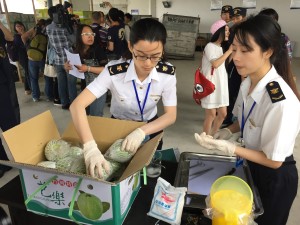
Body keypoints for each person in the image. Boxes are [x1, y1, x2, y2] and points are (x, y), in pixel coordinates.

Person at [195, 15, 300, 225]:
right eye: (234, 49)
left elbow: (274, 160)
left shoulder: (280, 101)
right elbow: (245, 120)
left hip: (275, 176)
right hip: (251, 163)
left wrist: (229, 147)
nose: (236, 57)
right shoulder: (248, 83)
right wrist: (225, 132)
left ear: (268, 51)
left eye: (245, 50)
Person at [69, 18, 177, 178]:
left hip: (151, 127)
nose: (148, 63)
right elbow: (77, 106)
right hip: (117, 129)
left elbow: (170, 115)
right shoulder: (114, 71)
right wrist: (90, 147)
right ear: (130, 46)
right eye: (140, 55)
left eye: (155, 56)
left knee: (149, 174)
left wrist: (142, 131)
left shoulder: (166, 73)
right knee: (118, 174)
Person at [64, 24, 107, 116]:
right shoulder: (76, 51)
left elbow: (105, 70)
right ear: (79, 36)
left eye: (92, 34)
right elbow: (75, 72)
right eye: (86, 34)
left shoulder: (98, 50)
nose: (90, 36)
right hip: (85, 88)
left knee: (96, 116)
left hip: (99, 88)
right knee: (85, 114)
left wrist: (87, 68)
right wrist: (67, 68)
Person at [200, 20, 232, 136]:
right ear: (219, 32)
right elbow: (215, 64)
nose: (228, 33)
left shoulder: (220, 47)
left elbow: (224, 63)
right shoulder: (210, 46)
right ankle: (205, 136)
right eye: (226, 31)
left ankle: (212, 135)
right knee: (211, 114)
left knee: (223, 113)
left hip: (221, 84)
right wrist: (229, 51)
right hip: (211, 84)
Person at [46, 4, 77, 110]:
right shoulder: (65, 28)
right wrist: (73, 28)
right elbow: (74, 41)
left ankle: (64, 103)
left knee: (61, 83)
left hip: (57, 59)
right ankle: (73, 104)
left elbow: (51, 43)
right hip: (70, 60)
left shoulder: (48, 28)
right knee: (71, 84)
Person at [0, 23, 20, 178]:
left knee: (10, 123)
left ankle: (22, 158)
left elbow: (10, 37)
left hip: (3, 80)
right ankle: (2, 163)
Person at [10, 21, 31, 95]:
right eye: (17, 26)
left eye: (21, 25)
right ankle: (28, 88)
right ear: (15, 28)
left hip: (29, 55)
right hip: (22, 57)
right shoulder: (17, 37)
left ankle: (28, 88)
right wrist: (23, 36)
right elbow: (23, 46)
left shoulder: (26, 34)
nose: (20, 27)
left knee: (28, 72)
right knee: (28, 72)